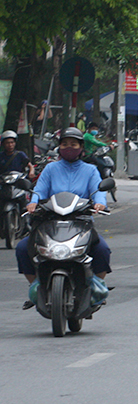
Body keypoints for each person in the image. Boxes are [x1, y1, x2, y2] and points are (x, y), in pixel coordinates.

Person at [17, 128, 110, 303]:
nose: (69, 147)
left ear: (81, 147)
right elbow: (39, 190)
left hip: (80, 221)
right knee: (23, 248)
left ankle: (96, 288)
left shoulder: (90, 170)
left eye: (73, 144)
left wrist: (100, 203)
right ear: (59, 146)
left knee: (102, 250)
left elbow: (98, 190)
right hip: (50, 220)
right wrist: (33, 203)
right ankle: (36, 287)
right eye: (65, 144)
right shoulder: (51, 169)